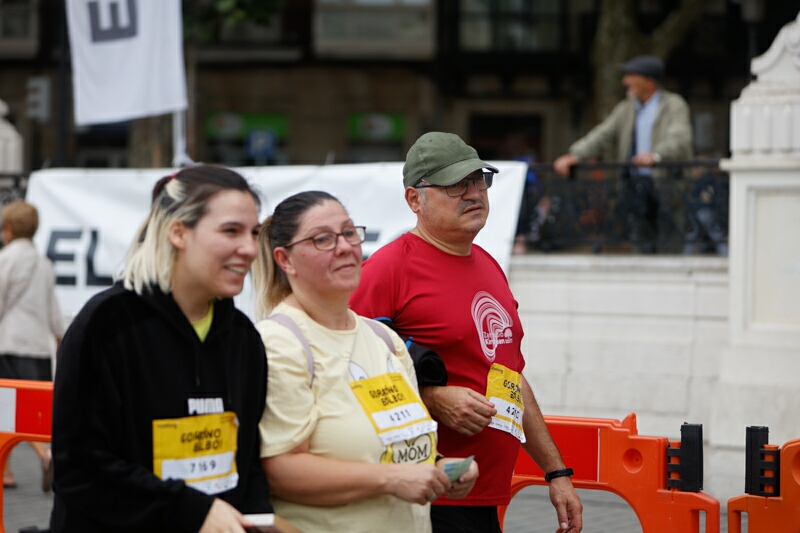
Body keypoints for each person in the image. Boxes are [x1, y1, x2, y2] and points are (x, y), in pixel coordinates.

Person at [349, 132, 583, 533]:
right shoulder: (387, 270)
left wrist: (556, 472)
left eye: (479, 180)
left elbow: (510, 376)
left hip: (487, 492)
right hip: (425, 492)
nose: (474, 193)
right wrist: (432, 397)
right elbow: (347, 372)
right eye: (456, 184)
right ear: (414, 199)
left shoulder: (489, 265)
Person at [50, 165, 273, 533]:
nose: (249, 248)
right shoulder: (106, 324)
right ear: (178, 232)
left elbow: (246, 463)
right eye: (230, 231)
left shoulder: (243, 338)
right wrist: (191, 510)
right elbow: (81, 471)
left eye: (253, 232)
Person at [252, 190, 479, 533]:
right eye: (323, 239)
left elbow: (391, 445)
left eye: (348, 233)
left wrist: (440, 467)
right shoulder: (278, 343)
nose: (344, 247)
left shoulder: (383, 339)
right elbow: (280, 471)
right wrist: (390, 479)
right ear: (285, 260)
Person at [553, 55, 694, 252]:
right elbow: (602, 134)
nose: (625, 81)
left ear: (649, 81)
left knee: (670, 245)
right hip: (635, 187)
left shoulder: (674, 105)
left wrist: (655, 155)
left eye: (631, 75)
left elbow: (679, 138)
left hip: (666, 186)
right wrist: (575, 154)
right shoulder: (626, 108)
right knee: (638, 243)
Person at [0, 200, 63, 491]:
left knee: (6, 411)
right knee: (31, 413)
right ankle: (16, 466)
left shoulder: (6, 259)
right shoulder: (44, 263)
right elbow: (53, 309)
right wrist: (60, 337)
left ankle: (35, 458)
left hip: (9, 344)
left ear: (8, 230)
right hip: (38, 348)